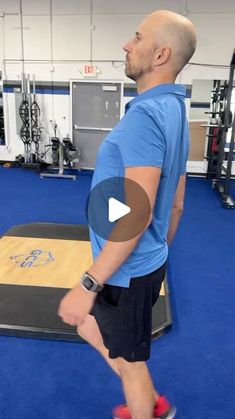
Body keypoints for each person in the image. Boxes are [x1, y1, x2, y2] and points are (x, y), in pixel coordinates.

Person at [58, 9, 197, 419]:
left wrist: (89, 282)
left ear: (160, 54)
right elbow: (176, 201)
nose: (126, 44)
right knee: (87, 326)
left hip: (126, 272)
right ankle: (151, 404)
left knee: (132, 366)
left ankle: (149, 409)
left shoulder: (144, 117)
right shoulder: (174, 108)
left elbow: (138, 212)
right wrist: (158, 252)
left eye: (137, 38)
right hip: (138, 264)